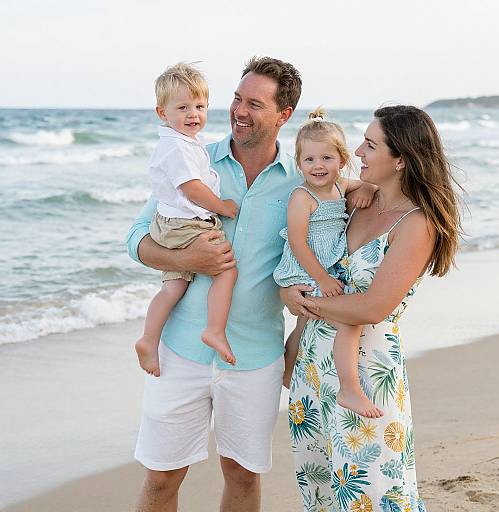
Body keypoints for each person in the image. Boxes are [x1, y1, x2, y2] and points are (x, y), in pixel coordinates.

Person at [127, 56, 303, 512]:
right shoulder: (192, 159)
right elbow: (136, 240)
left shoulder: (302, 183)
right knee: (162, 478)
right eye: (237, 99)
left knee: (242, 476)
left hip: (254, 355)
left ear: (283, 115)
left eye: (255, 104)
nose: (239, 111)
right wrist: (188, 259)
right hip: (179, 352)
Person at [280, 105, 462, 511]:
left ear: (400, 159)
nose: (357, 151)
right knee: (323, 493)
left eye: (370, 144)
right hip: (314, 366)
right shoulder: (353, 201)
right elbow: (306, 266)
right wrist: (290, 298)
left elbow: (374, 306)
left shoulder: (417, 224)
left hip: (366, 374)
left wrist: (308, 302)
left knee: (374, 494)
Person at [274, 108, 383, 419]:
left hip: (325, 266)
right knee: (348, 323)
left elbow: (366, 185)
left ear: (341, 160)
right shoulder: (302, 197)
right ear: (299, 163)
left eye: (326, 159)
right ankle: (350, 388)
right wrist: (321, 278)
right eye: (309, 160)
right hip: (306, 269)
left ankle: (287, 368)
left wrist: (367, 187)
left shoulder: (339, 186)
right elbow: (296, 242)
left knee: (304, 322)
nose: (318, 166)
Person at [135, 63, 239, 377]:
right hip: (186, 225)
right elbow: (192, 189)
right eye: (182, 107)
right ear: (161, 113)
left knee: (173, 288)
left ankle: (149, 338)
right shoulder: (177, 147)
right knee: (226, 271)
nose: (193, 114)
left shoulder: (182, 142)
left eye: (200, 106)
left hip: (170, 224)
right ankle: (215, 330)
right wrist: (222, 206)